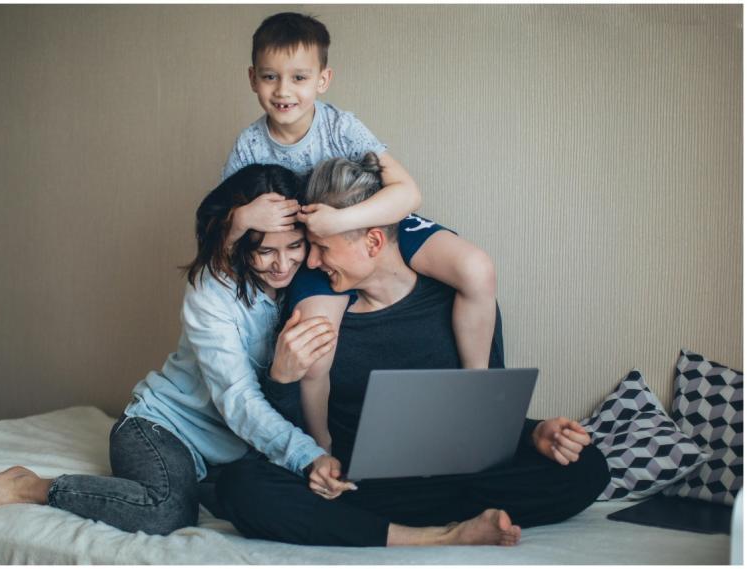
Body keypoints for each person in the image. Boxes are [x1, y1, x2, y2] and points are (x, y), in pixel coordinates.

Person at [214, 154, 611, 548]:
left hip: (457, 478)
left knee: (587, 467)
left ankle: (386, 527)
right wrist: (281, 379)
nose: (310, 262)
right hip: (360, 486)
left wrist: (534, 434)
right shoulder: (316, 311)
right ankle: (441, 535)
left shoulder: (457, 302)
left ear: (372, 241)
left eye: (321, 248)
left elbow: (477, 413)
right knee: (240, 487)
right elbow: (289, 435)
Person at [0, 164, 337, 535]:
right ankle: (31, 486)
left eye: (294, 247)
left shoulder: (304, 287)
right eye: (265, 251)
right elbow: (239, 399)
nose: (283, 264)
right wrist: (307, 454)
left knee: (269, 504)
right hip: (161, 429)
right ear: (239, 247)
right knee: (167, 510)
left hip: (230, 453)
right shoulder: (212, 291)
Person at [224, 11, 500, 454]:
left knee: (477, 269)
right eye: (271, 77)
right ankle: (321, 447)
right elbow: (223, 224)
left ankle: (476, 390)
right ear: (253, 78)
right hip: (315, 249)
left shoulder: (342, 127)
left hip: (368, 224)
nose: (283, 90)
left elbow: (408, 193)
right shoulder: (249, 147)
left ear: (323, 79)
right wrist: (244, 217)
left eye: (299, 77)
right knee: (316, 344)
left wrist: (341, 221)